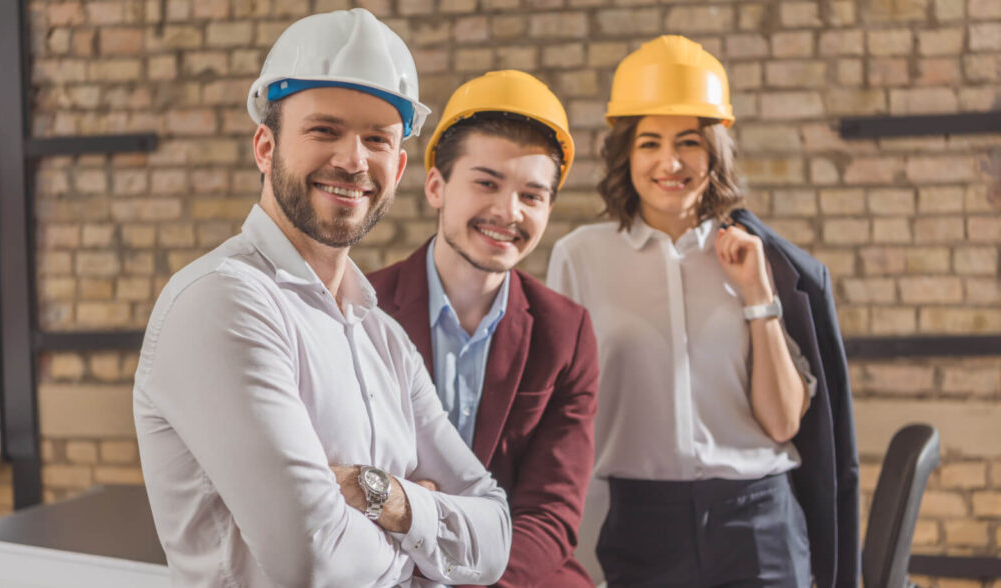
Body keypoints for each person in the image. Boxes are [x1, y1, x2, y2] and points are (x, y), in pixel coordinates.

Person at [133, 10, 512, 587]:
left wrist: (384, 498)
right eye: (324, 130)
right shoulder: (224, 303)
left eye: (377, 140)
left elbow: (497, 535)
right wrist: (427, 543)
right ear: (265, 146)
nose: (354, 161)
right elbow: (316, 564)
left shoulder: (382, 335)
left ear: (400, 165)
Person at [547, 36, 859, 587]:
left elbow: (784, 422)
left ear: (714, 152)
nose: (670, 162)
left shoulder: (758, 257)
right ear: (627, 154)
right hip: (638, 524)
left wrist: (758, 296)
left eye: (688, 142)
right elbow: (564, 413)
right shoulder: (581, 257)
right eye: (650, 143)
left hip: (759, 518)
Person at [368, 70, 598, 587]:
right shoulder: (361, 307)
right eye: (487, 183)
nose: (508, 212)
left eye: (532, 196)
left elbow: (550, 513)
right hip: (384, 564)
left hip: (511, 573)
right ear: (436, 186)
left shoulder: (566, 333)